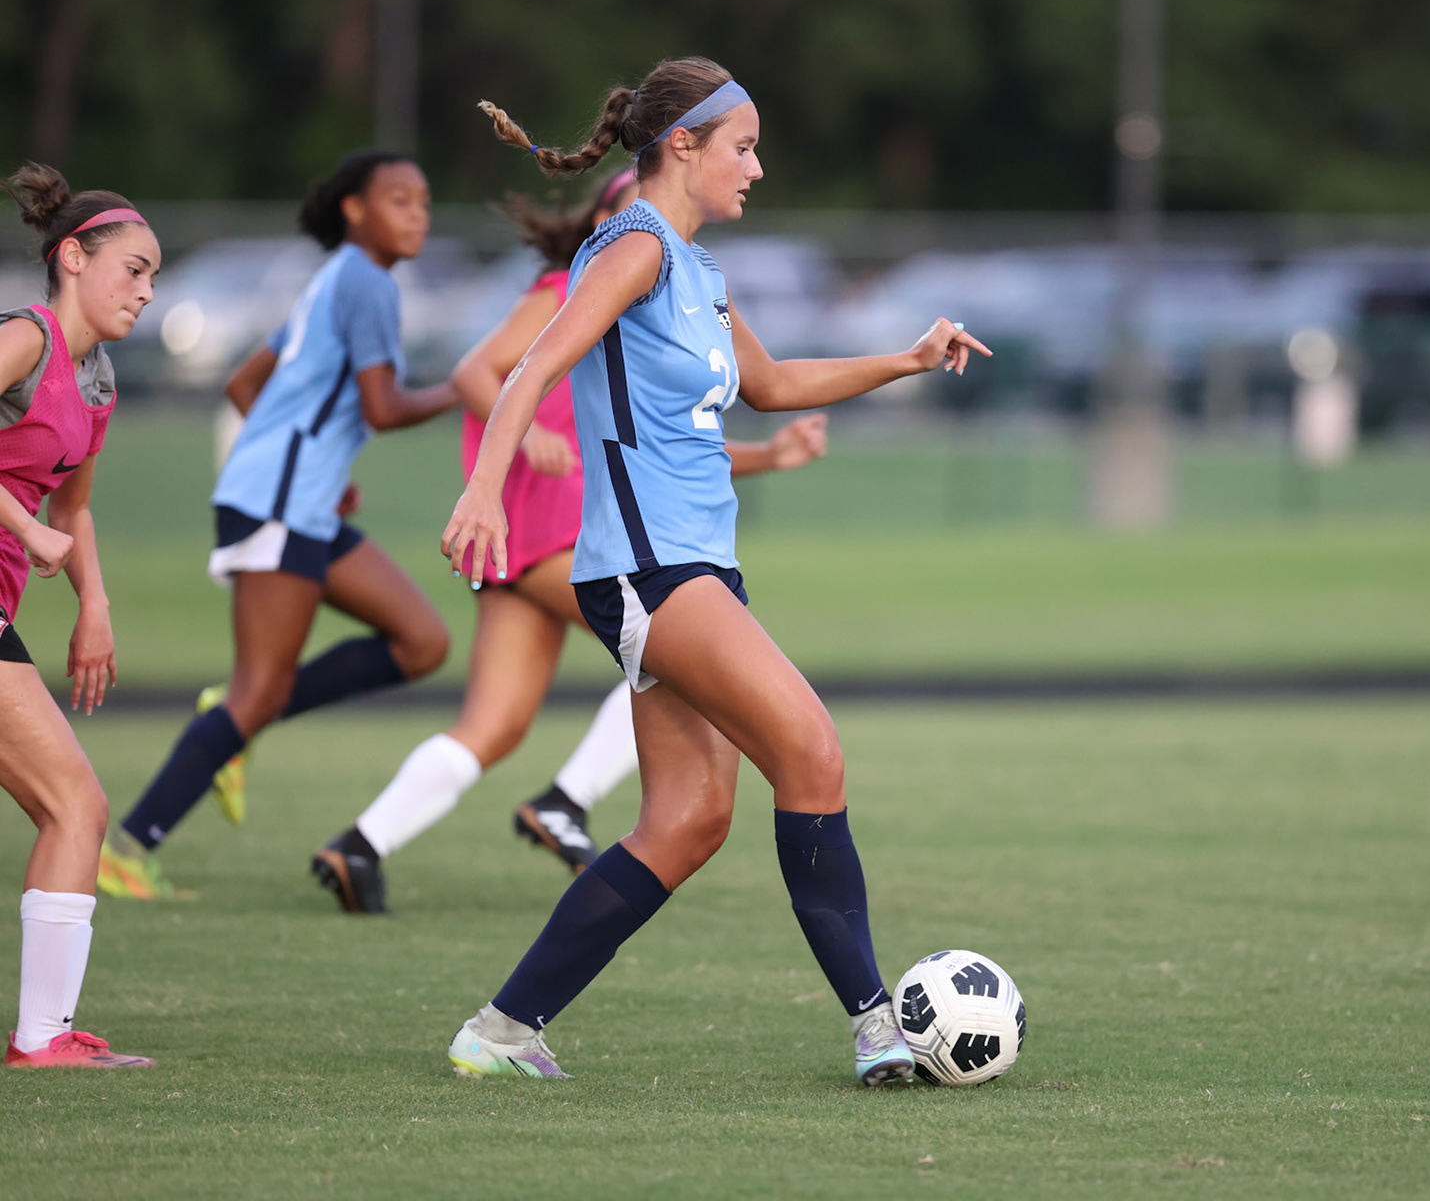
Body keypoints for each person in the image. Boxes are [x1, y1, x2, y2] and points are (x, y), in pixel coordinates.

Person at [441, 57, 986, 1085]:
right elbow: (534, 365)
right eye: (744, 146)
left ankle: (501, 1031)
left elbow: (772, 384)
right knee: (812, 751)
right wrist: (483, 489)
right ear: (682, 145)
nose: (758, 167)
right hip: (650, 568)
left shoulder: (698, 272)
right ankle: (877, 1026)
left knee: (687, 823)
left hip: (689, 569)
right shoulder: (636, 246)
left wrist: (908, 359)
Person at [311, 169, 829, 913]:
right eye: (629, 207)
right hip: (547, 529)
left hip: (546, 539)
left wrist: (771, 456)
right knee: (679, 655)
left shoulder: (660, 294)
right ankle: (565, 801)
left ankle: (360, 845)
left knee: (492, 727)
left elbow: (676, 445)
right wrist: (520, 448)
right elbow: (476, 370)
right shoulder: (574, 285)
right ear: (602, 222)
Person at [97, 151, 458, 900]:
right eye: (399, 199)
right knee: (256, 691)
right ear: (355, 210)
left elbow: (244, 384)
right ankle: (127, 848)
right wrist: (468, 387)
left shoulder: (338, 277)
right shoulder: (365, 280)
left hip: (300, 502)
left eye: (423, 201)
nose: (417, 214)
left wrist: (318, 464)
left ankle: (236, 717)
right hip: (278, 505)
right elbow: (384, 408)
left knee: (422, 641)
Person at [0, 163, 155, 1067]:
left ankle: (42, 1035)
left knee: (70, 808)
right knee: (76, 805)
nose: (146, 290)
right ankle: (42, 1038)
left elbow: (75, 509)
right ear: (72, 257)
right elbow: (42, 520)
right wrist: (24, 527)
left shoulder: (96, 381)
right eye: (133, 269)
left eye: (153, 276)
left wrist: (94, 604)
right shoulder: (26, 337)